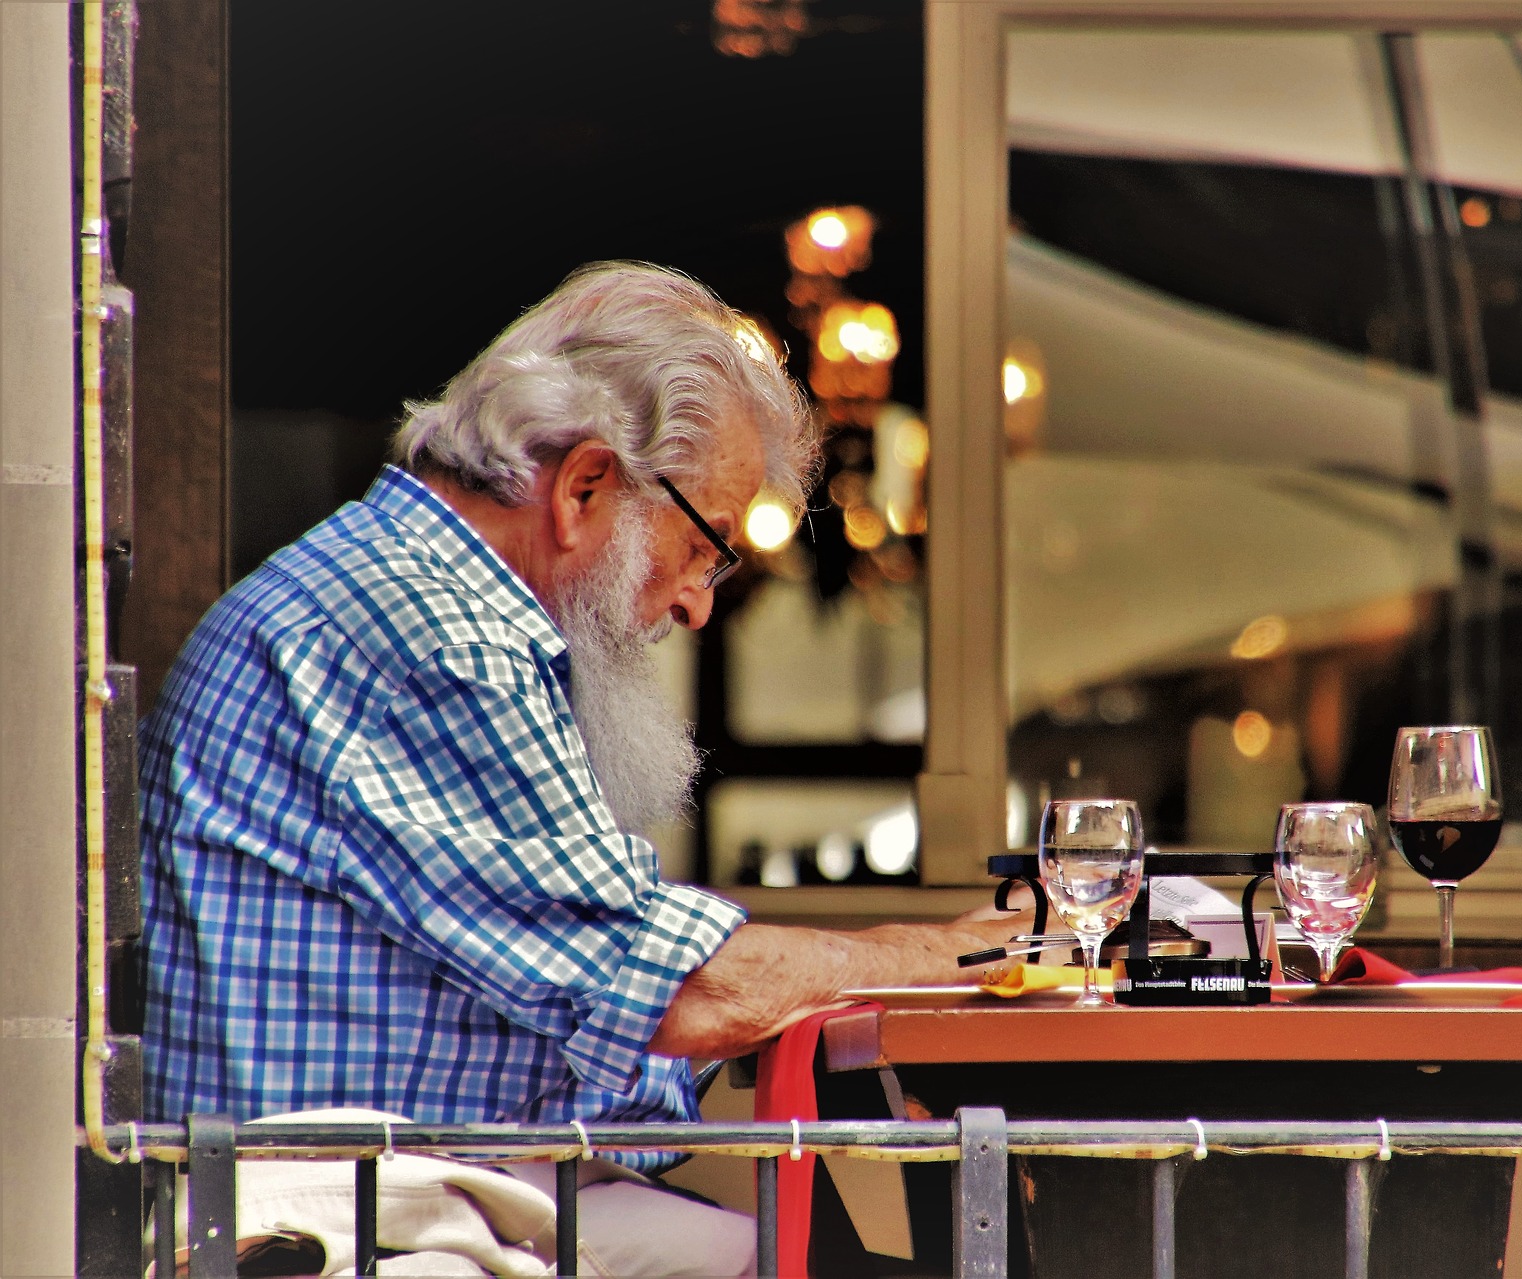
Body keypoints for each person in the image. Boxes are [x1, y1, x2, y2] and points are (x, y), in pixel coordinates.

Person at [139, 262, 1026, 1275]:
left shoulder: (409, 594)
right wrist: (962, 957)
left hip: (421, 1187)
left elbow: (591, 1001)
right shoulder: (430, 635)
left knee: (831, 1257)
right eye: (709, 549)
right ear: (586, 486)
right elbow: (672, 988)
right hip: (346, 1225)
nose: (699, 604)